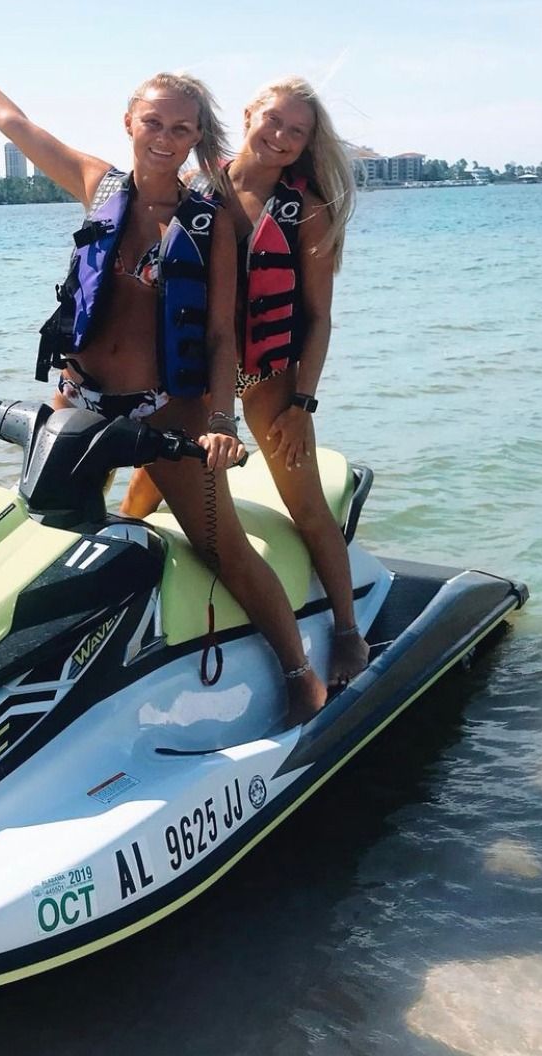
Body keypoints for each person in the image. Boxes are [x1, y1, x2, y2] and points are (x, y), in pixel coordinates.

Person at [0, 47, 327, 724]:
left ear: (198, 137)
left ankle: (298, 671)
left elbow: (223, 338)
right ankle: (13, 668)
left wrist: (221, 424)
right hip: (77, 400)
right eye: (154, 123)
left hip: (166, 409)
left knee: (220, 543)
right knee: (39, 532)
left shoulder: (208, 222)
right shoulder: (98, 183)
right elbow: (16, 125)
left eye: (182, 129)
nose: (166, 138)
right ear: (129, 123)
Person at [122, 75, 370, 689]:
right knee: (137, 500)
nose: (282, 137)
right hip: (198, 376)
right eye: (274, 121)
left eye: (298, 131)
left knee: (306, 506)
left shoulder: (305, 210)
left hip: (268, 377)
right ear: (249, 114)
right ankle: (132, 620)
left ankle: (346, 631)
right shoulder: (199, 187)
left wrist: (302, 406)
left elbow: (318, 318)